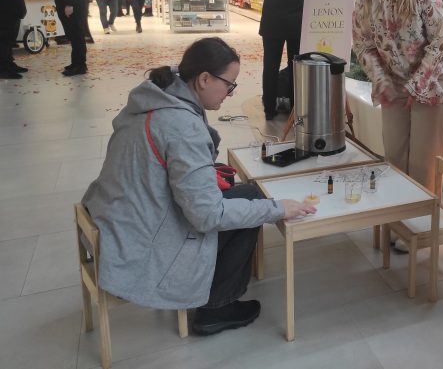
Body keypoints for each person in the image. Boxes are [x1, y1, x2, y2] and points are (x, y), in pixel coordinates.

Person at [81, 37, 316, 335]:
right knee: (255, 204)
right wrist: (278, 209)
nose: (230, 93)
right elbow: (207, 216)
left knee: (247, 194)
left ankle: (218, 294)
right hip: (144, 237)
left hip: (119, 216)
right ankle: (216, 308)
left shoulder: (156, 97)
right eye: (229, 85)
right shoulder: (182, 126)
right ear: (204, 79)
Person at [352, 0, 443, 194]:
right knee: (394, 159)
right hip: (393, 86)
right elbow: (363, 45)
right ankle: (398, 214)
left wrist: (416, 85)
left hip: (431, 84)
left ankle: (422, 218)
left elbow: (441, 43)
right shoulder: (365, 2)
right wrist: (381, 80)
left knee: (424, 166)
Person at [254, 0, 320, 120]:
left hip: (272, 23)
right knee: (295, 66)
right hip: (296, 23)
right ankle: (294, 106)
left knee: (270, 65)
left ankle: (269, 109)